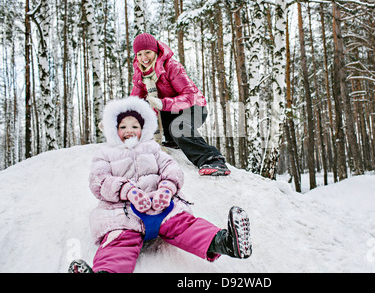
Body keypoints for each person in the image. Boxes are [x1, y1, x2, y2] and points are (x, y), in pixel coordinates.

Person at [68, 97, 251, 273]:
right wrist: (127, 190)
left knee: (187, 226)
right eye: (123, 127)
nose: (129, 130)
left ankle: (227, 243)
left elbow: (171, 168)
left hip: (162, 207)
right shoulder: (105, 153)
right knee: (118, 243)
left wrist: (166, 188)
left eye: (135, 126)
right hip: (125, 215)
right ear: (114, 130)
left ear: (143, 128)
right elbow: (98, 181)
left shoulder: (153, 148)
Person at [130, 32, 230, 176]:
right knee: (146, 108)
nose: (144, 58)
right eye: (139, 54)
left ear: (156, 51)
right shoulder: (140, 74)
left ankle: (213, 159)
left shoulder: (171, 66)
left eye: (147, 52)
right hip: (169, 110)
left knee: (179, 127)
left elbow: (190, 95)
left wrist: (163, 103)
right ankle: (172, 139)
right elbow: (134, 102)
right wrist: (117, 118)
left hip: (195, 107)